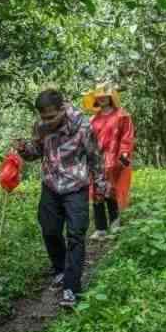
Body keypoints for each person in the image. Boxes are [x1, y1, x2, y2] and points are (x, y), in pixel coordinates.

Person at [14, 89, 108, 308]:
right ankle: (60, 270)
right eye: (43, 118)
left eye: (51, 117)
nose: (46, 122)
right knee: (49, 230)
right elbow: (36, 152)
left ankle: (72, 287)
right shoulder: (41, 127)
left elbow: (95, 157)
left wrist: (101, 187)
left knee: (75, 235)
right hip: (51, 186)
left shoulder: (83, 126)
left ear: (62, 108)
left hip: (76, 187)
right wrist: (23, 150)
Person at [81, 83, 135, 238]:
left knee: (111, 191)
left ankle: (115, 224)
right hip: (96, 161)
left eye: (105, 95)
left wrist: (124, 155)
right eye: (99, 96)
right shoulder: (92, 120)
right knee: (97, 192)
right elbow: (87, 141)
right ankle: (100, 228)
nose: (102, 98)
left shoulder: (122, 116)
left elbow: (127, 137)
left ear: (111, 97)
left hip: (115, 159)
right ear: (95, 99)